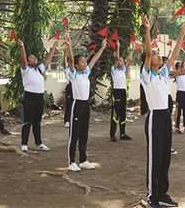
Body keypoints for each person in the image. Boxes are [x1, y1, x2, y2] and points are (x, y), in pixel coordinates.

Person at [141, 14, 185, 208]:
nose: (158, 55)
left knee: (165, 157)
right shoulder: (146, 75)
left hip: (165, 117)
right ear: (149, 59)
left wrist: (182, 34)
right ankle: (152, 195)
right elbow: (147, 50)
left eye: (158, 53)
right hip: (154, 117)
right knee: (154, 156)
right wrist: (146, 30)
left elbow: (175, 55)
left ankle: (162, 193)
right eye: (155, 54)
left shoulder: (163, 73)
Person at [65, 38, 106, 172]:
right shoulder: (73, 74)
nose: (85, 63)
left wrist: (102, 48)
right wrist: (70, 47)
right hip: (76, 105)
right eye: (82, 61)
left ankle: (83, 160)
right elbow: (70, 60)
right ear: (76, 65)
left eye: (84, 61)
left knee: (84, 133)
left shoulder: (86, 72)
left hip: (85, 105)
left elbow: (94, 59)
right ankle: (71, 161)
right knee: (74, 134)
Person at [16, 38, 58, 152]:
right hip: (29, 97)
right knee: (27, 121)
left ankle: (38, 143)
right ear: (29, 62)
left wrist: (54, 47)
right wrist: (22, 47)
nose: (34, 59)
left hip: (39, 97)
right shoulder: (26, 70)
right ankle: (24, 144)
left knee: (37, 122)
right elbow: (23, 60)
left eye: (35, 58)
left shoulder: (39, 69)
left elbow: (48, 60)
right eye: (31, 58)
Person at [110, 40, 133, 142]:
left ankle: (122, 133)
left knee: (123, 113)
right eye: (120, 61)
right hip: (117, 92)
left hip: (123, 92)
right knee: (116, 113)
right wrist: (118, 47)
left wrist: (132, 49)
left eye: (122, 61)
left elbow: (129, 59)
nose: (122, 62)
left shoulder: (123, 69)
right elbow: (117, 59)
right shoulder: (114, 70)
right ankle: (112, 134)